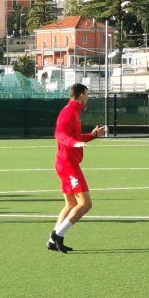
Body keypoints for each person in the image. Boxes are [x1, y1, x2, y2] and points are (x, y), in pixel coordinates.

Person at [47, 84, 107, 253]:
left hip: (65, 162)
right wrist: (74, 143)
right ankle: (58, 234)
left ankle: (52, 241)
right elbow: (60, 135)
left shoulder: (73, 111)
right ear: (81, 95)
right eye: (87, 94)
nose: (88, 97)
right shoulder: (68, 111)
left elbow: (75, 136)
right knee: (85, 204)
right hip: (68, 164)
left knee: (71, 203)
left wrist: (92, 136)